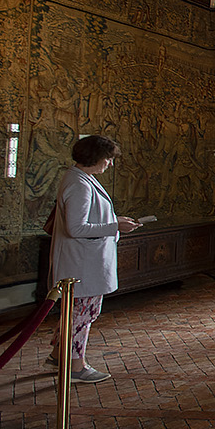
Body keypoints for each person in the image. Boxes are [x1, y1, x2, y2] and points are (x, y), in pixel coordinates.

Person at [47, 134, 143, 383]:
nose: (110, 164)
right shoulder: (79, 184)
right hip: (82, 265)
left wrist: (113, 221)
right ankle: (76, 366)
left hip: (82, 262)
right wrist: (115, 226)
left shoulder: (80, 178)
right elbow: (77, 228)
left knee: (74, 312)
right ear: (96, 157)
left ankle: (59, 354)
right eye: (108, 159)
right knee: (82, 314)